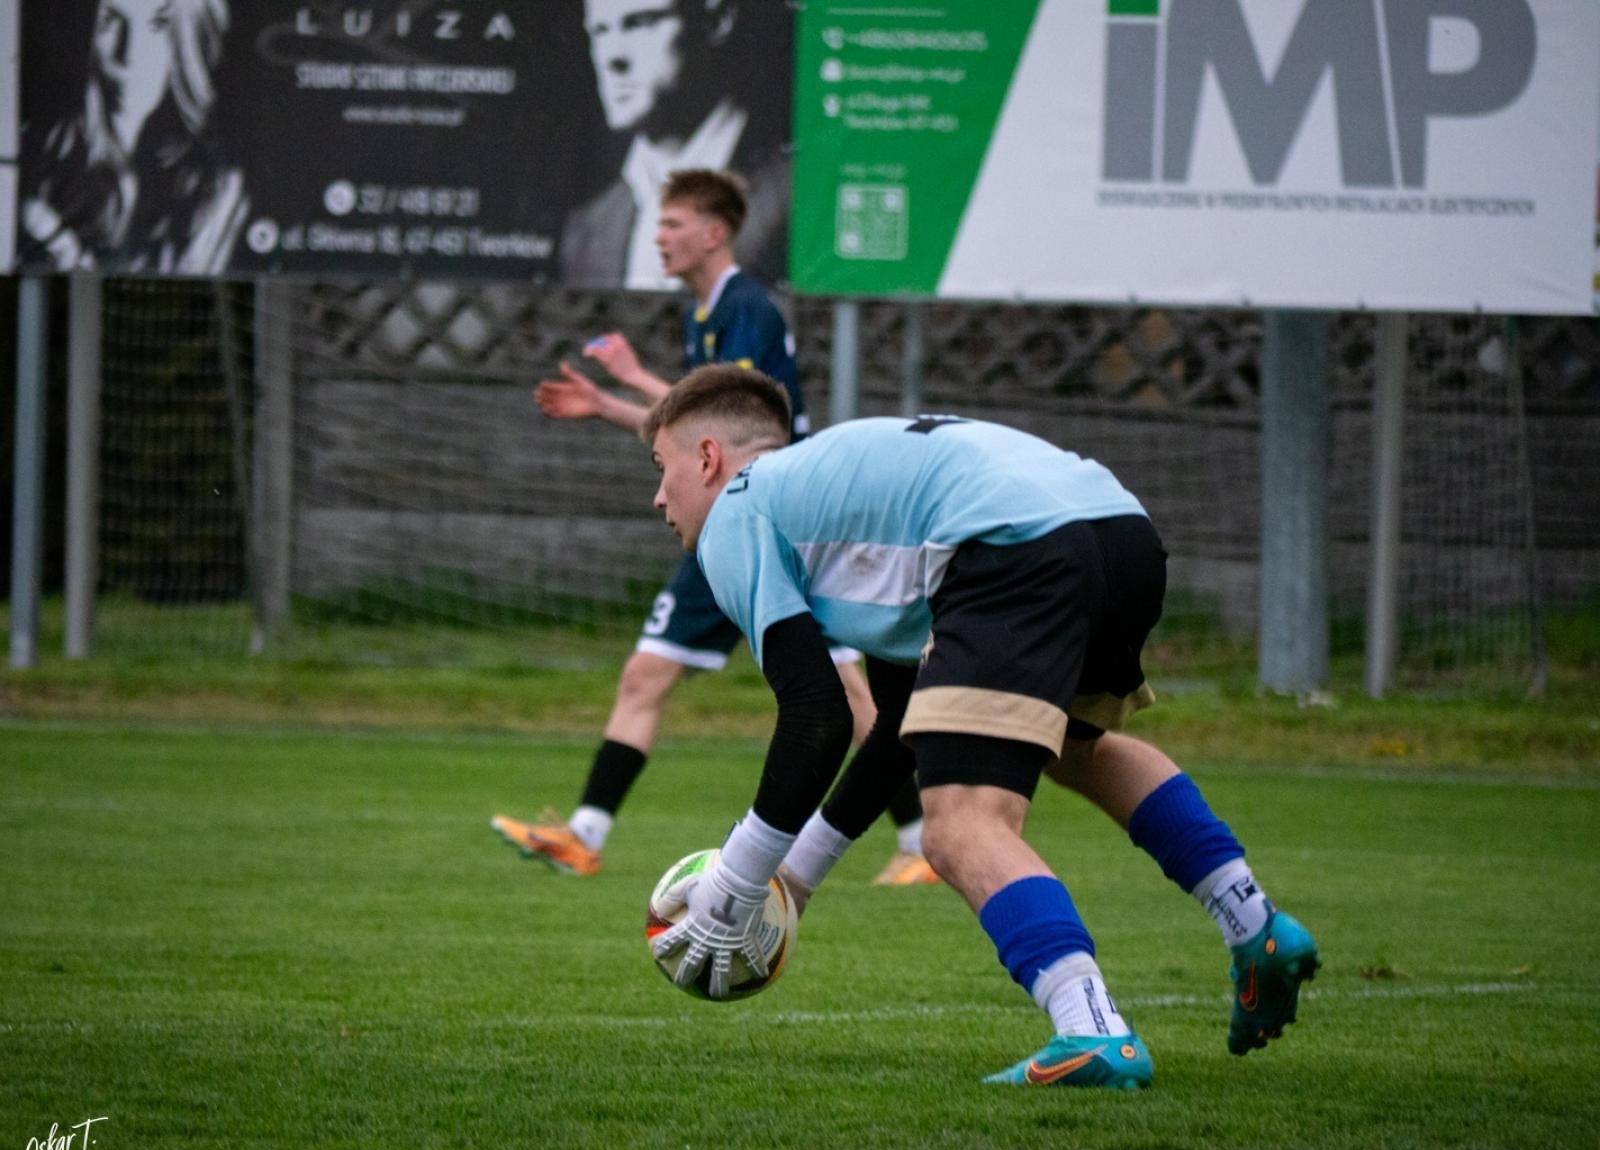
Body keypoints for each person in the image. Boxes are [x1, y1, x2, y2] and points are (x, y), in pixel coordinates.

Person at [642, 364, 1322, 1088]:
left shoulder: (742, 507)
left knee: (959, 824)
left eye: (661, 468)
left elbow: (817, 717)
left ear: (709, 458)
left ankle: (1091, 1030)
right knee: (1077, 750)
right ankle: (1255, 926)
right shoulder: (849, 505)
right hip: (1121, 535)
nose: (658, 498)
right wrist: (796, 880)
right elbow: (900, 728)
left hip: (1014, 549)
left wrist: (737, 886)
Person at [492, 168, 935, 887]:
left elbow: (732, 432)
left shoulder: (748, 310)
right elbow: (693, 433)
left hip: (763, 526)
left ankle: (921, 842)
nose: (659, 237)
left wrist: (630, 384)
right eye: (659, 223)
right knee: (653, 675)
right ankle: (584, 833)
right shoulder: (702, 314)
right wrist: (613, 400)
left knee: (855, 701)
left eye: (673, 224)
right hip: (741, 519)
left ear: (714, 233)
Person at [559, 0, 789, 289]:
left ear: (717, 21)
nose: (611, 57)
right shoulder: (586, 232)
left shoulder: (796, 193)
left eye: (640, 22)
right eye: (600, 31)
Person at [20, 0, 248, 274]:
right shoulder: (44, 150)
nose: (125, 55)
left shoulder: (220, 190)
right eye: (109, 21)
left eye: (157, 25)